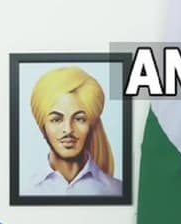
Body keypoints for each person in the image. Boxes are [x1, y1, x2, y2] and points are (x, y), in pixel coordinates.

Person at [24, 66, 122, 195]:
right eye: (56, 120)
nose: (68, 129)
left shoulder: (116, 190)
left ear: (91, 125)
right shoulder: (26, 190)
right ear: (43, 127)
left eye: (79, 119)